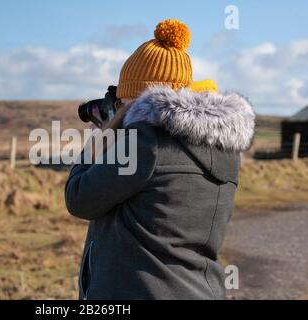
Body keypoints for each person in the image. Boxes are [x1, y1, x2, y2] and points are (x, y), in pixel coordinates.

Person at [65, 19, 255, 299]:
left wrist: (102, 137)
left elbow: (79, 198)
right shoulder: (223, 146)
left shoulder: (145, 143)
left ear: (135, 101)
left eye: (122, 102)